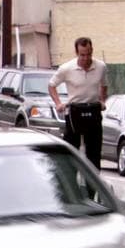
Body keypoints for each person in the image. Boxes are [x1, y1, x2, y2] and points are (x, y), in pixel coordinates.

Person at [48, 37, 108, 170]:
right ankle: (71, 181)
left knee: (94, 153)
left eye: (88, 54)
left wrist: (102, 101)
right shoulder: (66, 68)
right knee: (71, 150)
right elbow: (51, 85)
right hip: (74, 111)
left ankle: (92, 185)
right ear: (77, 53)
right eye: (82, 55)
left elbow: (104, 85)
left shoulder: (101, 67)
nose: (86, 58)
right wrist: (58, 103)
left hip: (93, 109)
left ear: (92, 50)